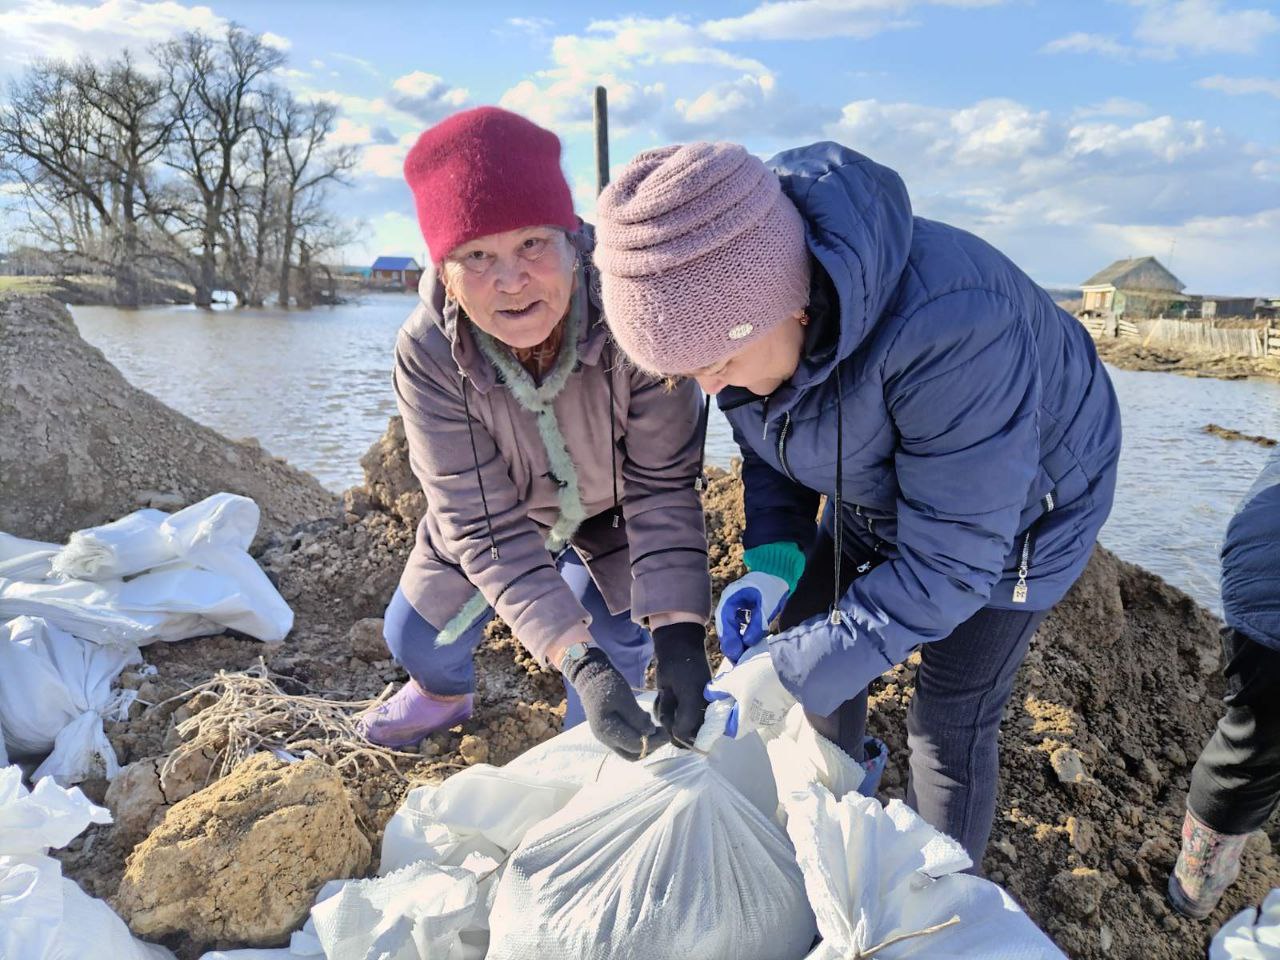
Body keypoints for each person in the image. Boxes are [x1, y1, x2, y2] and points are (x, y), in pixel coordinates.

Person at [592, 140, 1122, 866]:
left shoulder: (957, 328)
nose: (711, 391)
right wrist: (774, 560)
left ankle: (933, 899)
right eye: (689, 374)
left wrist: (782, 673)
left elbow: (952, 566)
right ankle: (834, 818)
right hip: (876, 483)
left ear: (793, 307)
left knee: (947, 718)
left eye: (717, 366)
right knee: (810, 639)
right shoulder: (743, 340)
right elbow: (772, 435)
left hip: (1020, 518)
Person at [356, 107, 714, 760]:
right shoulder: (427, 352)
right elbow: (480, 523)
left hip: (616, 518)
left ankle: (593, 753)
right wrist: (576, 661)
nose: (511, 280)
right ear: (446, 271)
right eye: (477, 255)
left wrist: (681, 638)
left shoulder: (636, 311)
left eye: (532, 244)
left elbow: (665, 486)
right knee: (417, 640)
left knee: (620, 652)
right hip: (505, 513)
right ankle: (444, 697)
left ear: (571, 241)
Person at [1168, 449, 1280, 919]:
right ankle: (1196, 889)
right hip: (1269, 576)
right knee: (1254, 739)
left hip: (1263, 547)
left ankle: (1196, 890)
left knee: (1252, 741)